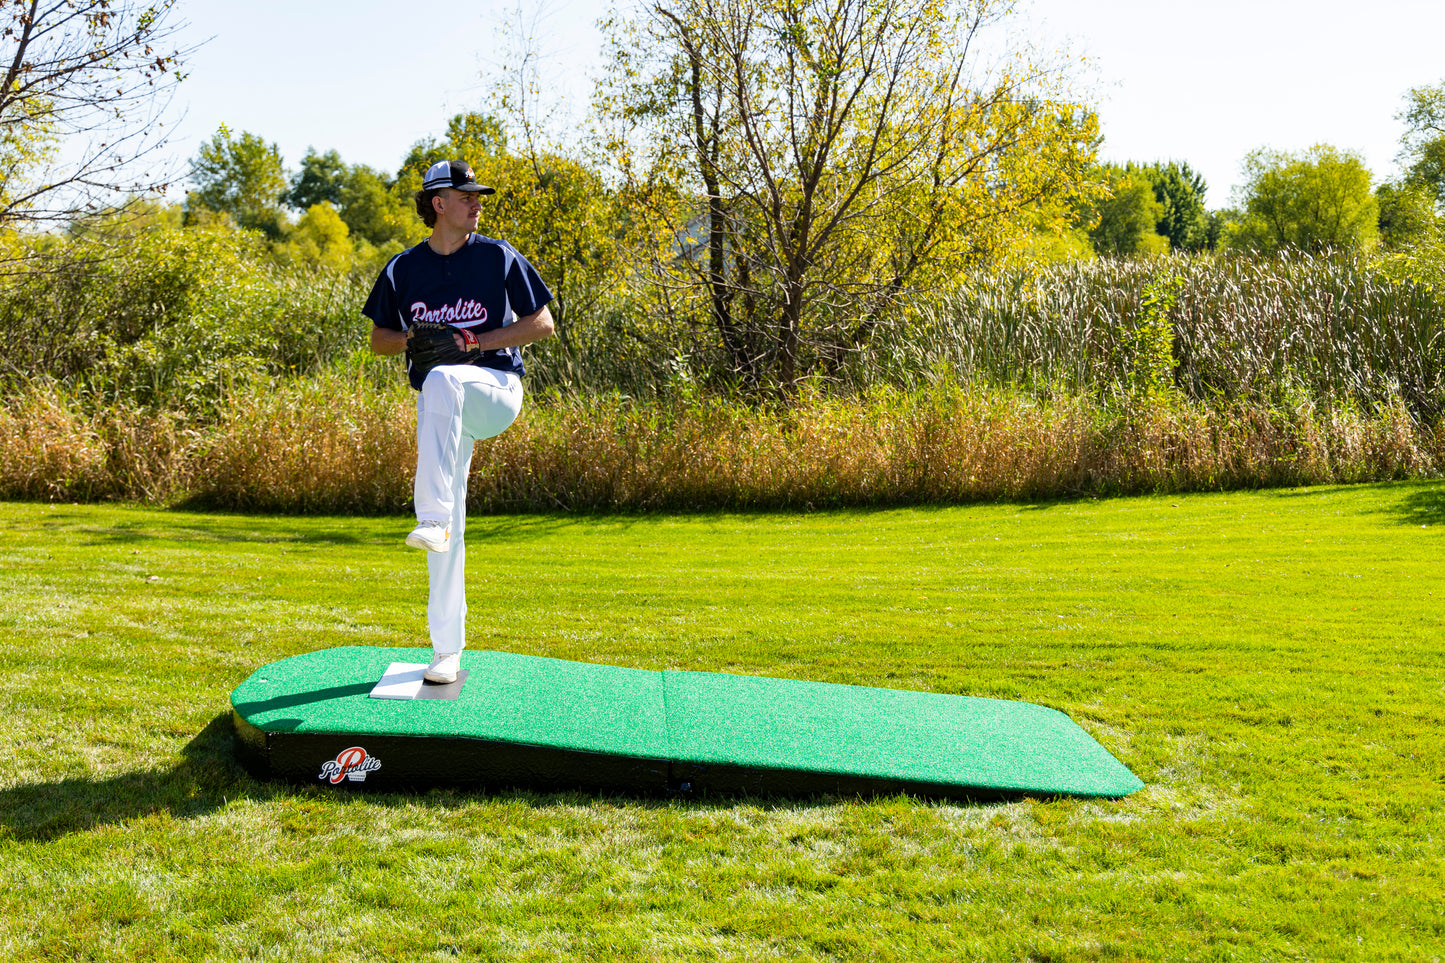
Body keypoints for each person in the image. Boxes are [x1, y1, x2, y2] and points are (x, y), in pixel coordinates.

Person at [363, 159, 555, 684]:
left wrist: (475, 341)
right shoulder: (404, 268)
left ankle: (429, 516)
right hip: (443, 414)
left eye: (478, 194)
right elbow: (381, 338)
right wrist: (411, 340)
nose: (476, 201)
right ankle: (446, 650)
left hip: (495, 392)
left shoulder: (496, 256)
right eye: (464, 194)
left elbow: (542, 322)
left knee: (442, 379)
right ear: (437, 204)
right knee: (451, 527)